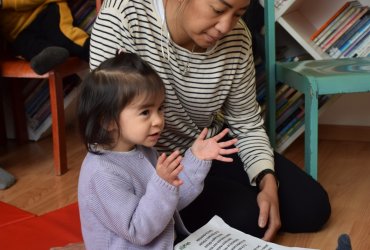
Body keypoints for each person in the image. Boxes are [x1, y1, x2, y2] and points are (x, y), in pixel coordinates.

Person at [89, 0, 331, 241]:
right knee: (251, 217)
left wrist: (267, 182)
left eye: (238, 14)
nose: (226, 26)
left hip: (209, 149)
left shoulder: (238, 38)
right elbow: (107, 119)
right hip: (155, 170)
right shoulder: (122, 18)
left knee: (312, 207)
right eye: (218, 9)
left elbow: (246, 123)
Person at [77, 52, 239, 249]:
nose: (159, 120)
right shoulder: (102, 174)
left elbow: (170, 203)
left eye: (160, 108)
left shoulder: (142, 151)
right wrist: (162, 185)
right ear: (108, 121)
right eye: (145, 112)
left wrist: (196, 158)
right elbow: (139, 230)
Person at [0, 0, 89, 75]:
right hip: (19, 32)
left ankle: (97, 53)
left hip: (45, 9)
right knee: (27, 47)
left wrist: (4, 2)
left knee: (65, 37)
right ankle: (49, 53)